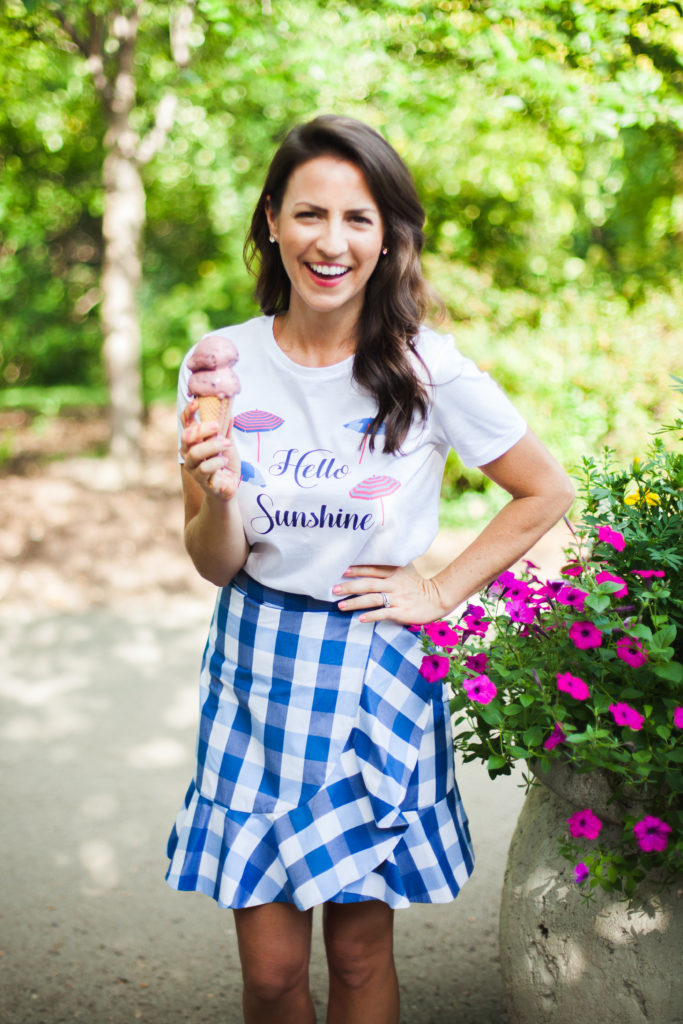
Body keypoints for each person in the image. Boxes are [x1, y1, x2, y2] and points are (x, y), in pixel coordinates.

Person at [166, 114, 574, 1024]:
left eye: (359, 218)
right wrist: (219, 493)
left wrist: (435, 590)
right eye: (310, 214)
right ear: (272, 220)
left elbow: (542, 491)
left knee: (356, 960)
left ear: (388, 235)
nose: (332, 241)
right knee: (271, 973)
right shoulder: (218, 367)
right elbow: (210, 560)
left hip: (370, 671)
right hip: (257, 668)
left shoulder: (425, 366)